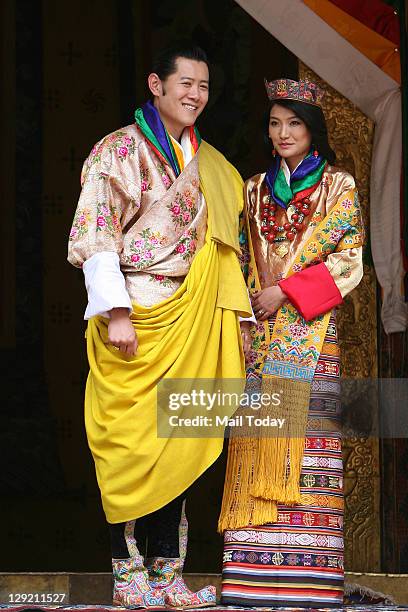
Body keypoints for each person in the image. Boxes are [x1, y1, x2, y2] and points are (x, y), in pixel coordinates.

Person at [67, 43, 252, 608]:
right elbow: (96, 231)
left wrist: (235, 314)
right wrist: (116, 311)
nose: (195, 94)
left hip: (193, 316)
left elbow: (229, 249)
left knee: (179, 446)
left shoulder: (213, 166)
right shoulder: (117, 150)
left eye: (203, 87)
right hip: (135, 313)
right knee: (129, 446)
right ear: (156, 84)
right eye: (185, 84)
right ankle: (129, 577)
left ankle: (169, 574)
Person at [218, 78, 364, 607]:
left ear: (313, 130)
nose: (283, 133)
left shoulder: (339, 187)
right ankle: (251, 580)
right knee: (256, 447)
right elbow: (234, 258)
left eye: (294, 123)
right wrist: (247, 309)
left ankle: (312, 581)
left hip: (312, 336)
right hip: (258, 337)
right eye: (276, 123)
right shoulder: (253, 188)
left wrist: (285, 292)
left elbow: (349, 262)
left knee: (309, 457)